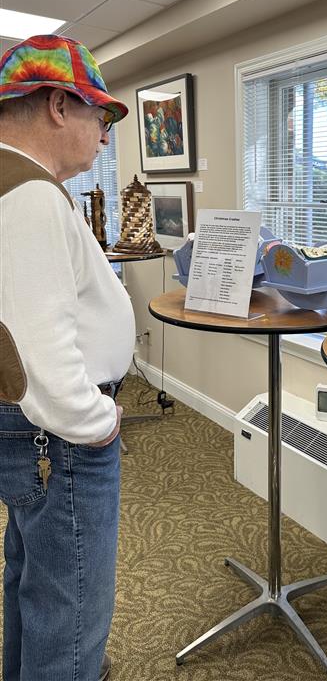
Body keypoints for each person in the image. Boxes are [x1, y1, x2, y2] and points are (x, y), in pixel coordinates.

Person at [0, 35, 135, 681]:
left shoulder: (22, 186)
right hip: (63, 440)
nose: (105, 135)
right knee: (70, 619)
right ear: (58, 104)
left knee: (35, 591)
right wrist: (98, 424)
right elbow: (39, 359)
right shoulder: (28, 197)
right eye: (100, 116)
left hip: (34, 436)